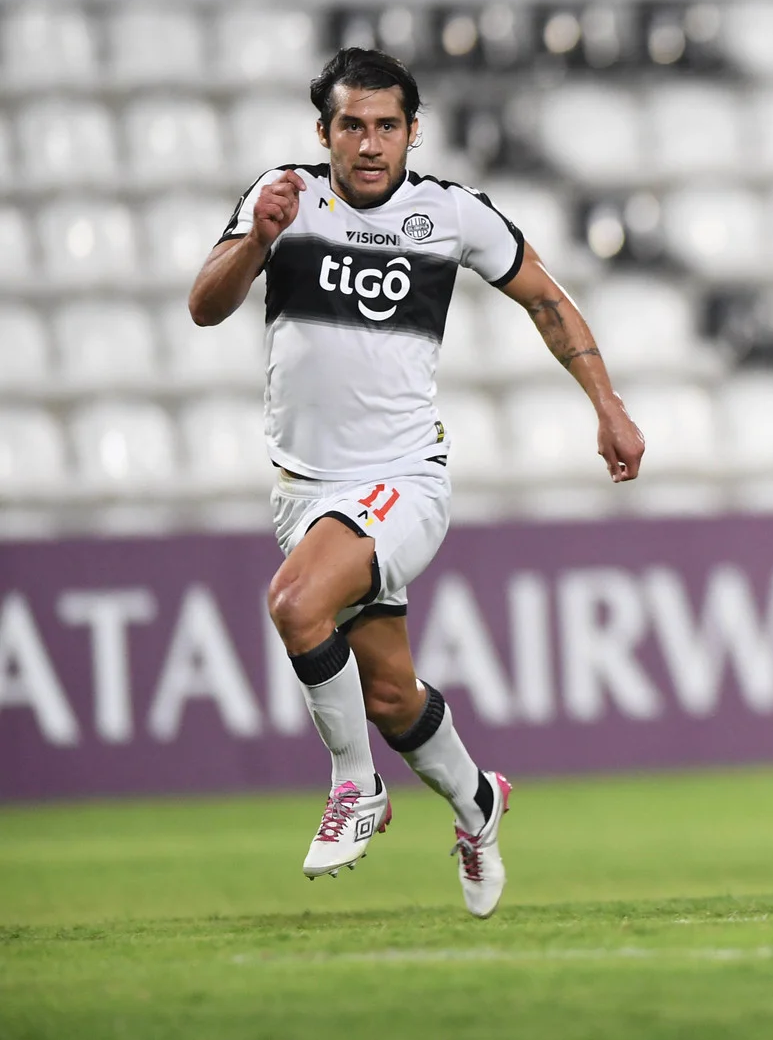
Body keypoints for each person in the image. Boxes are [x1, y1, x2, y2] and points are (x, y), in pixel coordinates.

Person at [188, 48, 645, 917]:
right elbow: (204, 307)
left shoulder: (449, 213)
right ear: (322, 132)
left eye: (386, 126)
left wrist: (607, 404)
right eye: (351, 125)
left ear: (413, 131)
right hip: (303, 491)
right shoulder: (281, 195)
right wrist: (258, 240)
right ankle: (478, 802)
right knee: (393, 694)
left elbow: (547, 298)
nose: (369, 144)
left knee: (294, 603)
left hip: (404, 477)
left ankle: (354, 786)